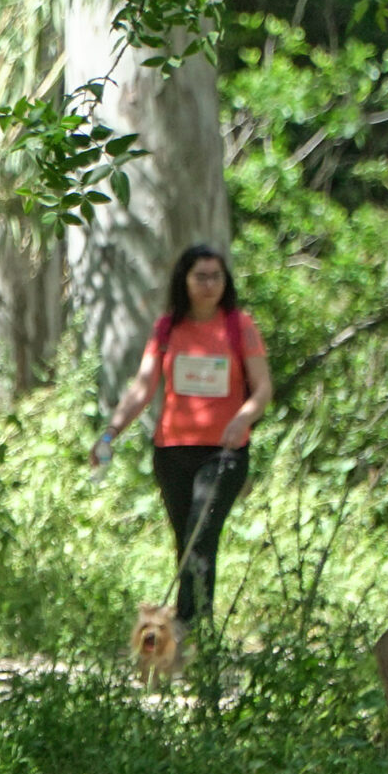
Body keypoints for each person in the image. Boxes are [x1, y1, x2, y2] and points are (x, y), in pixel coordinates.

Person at [93, 244, 272, 627]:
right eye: (200, 276)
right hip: (173, 451)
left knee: (200, 536)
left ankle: (189, 629)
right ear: (184, 281)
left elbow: (262, 389)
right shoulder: (168, 327)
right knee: (186, 541)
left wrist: (242, 419)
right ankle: (189, 635)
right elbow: (143, 388)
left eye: (216, 276)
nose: (209, 285)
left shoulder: (239, 326)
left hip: (223, 453)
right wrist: (110, 433)